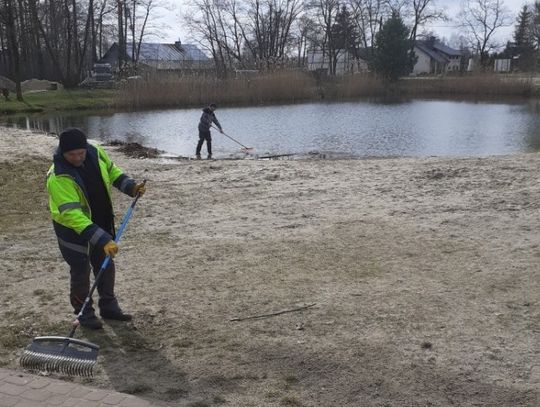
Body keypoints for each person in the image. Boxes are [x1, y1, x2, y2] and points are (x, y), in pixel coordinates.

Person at [46, 128, 146, 329]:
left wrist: (130, 186)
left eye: (80, 153)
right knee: (81, 271)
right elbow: (72, 216)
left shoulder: (96, 151)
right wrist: (102, 239)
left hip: (100, 220)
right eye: (71, 154)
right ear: (62, 152)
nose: (77, 158)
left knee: (106, 265)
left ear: (85, 148)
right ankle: (84, 314)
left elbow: (111, 170)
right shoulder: (58, 176)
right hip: (73, 232)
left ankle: (109, 307)